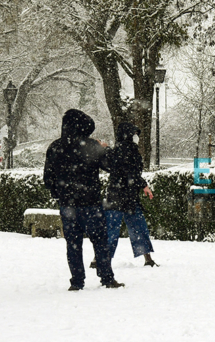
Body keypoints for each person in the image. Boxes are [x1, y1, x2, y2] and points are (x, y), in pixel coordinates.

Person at [43, 109, 124, 291]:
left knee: (73, 244)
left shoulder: (55, 147)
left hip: (67, 205)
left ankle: (77, 281)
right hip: (91, 202)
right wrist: (106, 149)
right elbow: (112, 165)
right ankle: (107, 277)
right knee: (100, 241)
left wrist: (61, 193)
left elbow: (48, 179)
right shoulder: (91, 146)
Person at [101, 121, 158, 267]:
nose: (136, 137)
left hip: (115, 195)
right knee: (138, 227)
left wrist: (106, 149)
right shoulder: (130, 151)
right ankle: (147, 258)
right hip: (129, 196)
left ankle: (100, 259)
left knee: (111, 229)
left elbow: (113, 166)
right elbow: (130, 173)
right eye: (134, 134)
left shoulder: (117, 150)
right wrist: (143, 185)